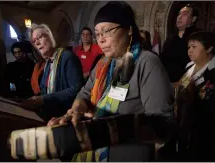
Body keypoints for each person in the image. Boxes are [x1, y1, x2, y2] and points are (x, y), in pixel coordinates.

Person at [48, 1, 174, 162]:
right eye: (97, 34)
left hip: (129, 152)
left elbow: (162, 123)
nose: (100, 40)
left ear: (128, 29)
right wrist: (76, 110)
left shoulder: (147, 63)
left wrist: (108, 128)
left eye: (106, 32)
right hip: (98, 145)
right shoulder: (103, 64)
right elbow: (85, 93)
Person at [22, 23, 84, 121]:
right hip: (52, 117)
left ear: (51, 36)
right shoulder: (48, 63)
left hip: (68, 116)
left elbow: (77, 89)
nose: (37, 43)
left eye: (40, 37)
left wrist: (43, 99)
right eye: (34, 41)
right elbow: (45, 92)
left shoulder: (67, 57)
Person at [175, 31, 215, 161]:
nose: (190, 51)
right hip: (184, 123)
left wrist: (191, 94)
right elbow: (181, 87)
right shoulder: (189, 67)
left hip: (204, 130)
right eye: (188, 47)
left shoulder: (212, 72)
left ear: (209, 48)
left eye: (194, 47)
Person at [160, 4, 200, 83]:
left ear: (193, 19)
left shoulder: (198, 37)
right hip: (167, 84)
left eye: (185, 14)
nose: (179, 17)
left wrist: (182, 85)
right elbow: (163, 61)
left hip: (188, 85)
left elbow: (199, 65)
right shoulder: (170, 38)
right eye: (179, 14)